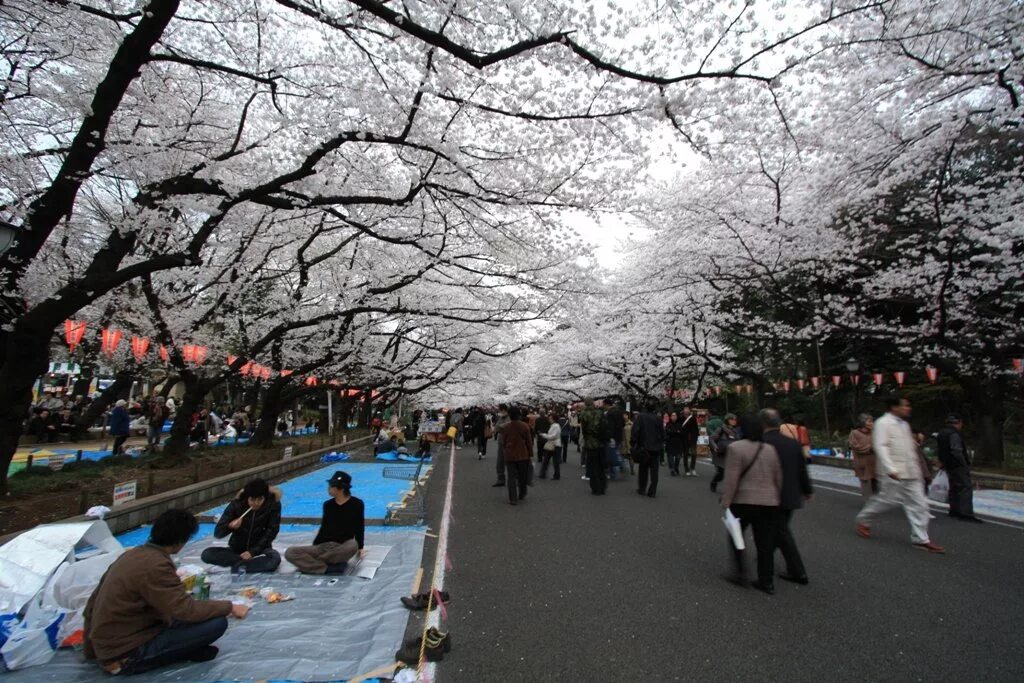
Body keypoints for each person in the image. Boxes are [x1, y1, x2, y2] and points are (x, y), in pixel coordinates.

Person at [83, 509, 248, 675]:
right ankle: (173, 654)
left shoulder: (131, 555)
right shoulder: (156, 565)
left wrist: (93, 651)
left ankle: (185, 649)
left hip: (112, 643)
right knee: (217, 623)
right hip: (126, 653)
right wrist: (229, 606)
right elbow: (185, 610)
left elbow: (91, 605)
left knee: (193, 618)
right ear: (180, 541)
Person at [855, 397, 945, 553]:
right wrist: (890, 468)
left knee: (920, 505)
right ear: (894, 407)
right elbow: (880, 446)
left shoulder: (904, 425)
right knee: (886, 501)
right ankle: (864, 519)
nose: (908, 408)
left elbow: (910, 449)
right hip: (893, 473)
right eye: (905, 406)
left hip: (911, 472)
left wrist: (920, 471)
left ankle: (920, 539)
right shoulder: (883, 423)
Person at [720, 414, 783, 595]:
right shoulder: (770, 449)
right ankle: (766, 581)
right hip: (769, 502)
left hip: (743, 501)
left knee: (736, 537)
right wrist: (777, 497)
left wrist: (726, 500)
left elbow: (731, 478)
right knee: (765, 543)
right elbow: (778, 476)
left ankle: (740, 573)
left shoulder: (736, 448)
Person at [761, 409, 813, 585]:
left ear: (763, 424)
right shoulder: (792, 443)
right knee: (779, 528)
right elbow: (801, 468)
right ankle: (766, 556)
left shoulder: (763, 443)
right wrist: (807, 489)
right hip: (791, 493)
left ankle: (798, 572)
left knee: (781, 531)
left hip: (771, 494)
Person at [285, 471, 367, 573]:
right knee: (290, 552)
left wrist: (360, 547)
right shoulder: (328, 505)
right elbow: (324, 526)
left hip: (342, 546)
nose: (328, 489)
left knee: (352, 545)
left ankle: (314, 563)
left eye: (331, 486)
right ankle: (326, 567)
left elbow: (359, 526)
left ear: (340, 488)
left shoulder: (357, 504)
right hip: (323, 546)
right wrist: (315, 546)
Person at [202, 479, 283, 573]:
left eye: (259, 499)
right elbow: (218, 533)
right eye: (252, 500)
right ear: (247, 497)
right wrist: (230, 526)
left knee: (274, 559)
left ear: (265, 497)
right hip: (236, 550)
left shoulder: (273, 505)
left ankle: (240, 565)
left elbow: (272, 531)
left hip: (260, 550)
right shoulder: (237, 504)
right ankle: (243, 565)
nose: (256, 503)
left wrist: (252, 552)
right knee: (207, 554)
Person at [937, 414, 982, 523]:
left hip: (948, 464)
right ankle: (966, 513)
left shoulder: (942, 433)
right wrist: (964, 463)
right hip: (957, 465)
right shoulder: (954, 434)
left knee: (954, 487)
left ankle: (954, 510)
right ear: (959, 422)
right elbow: (956, 451)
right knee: (965, 487)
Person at [630, 402, 665, 497]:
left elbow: (635, 430)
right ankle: (652, 490)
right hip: (656, 448)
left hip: (644, 447)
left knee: (643, 469)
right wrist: (660, 443)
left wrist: (633, 442)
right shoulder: (658, 418)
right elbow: (662, 433)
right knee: (654, 470)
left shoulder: (641, 417)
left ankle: (642, 488)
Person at [501, 406, 533, 504]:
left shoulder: (505, 427)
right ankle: (522, 492)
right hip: (522, 454)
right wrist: (530, 453)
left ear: (509, 415)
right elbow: (529, 441)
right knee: (522, 476)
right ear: (519, 415)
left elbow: (504, 441)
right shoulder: (524, 426)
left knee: (511, 477)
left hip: (510, 454)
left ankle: (513, 498)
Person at [579, 398, 609, 494]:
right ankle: (603, 486)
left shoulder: (584, 414)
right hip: (601, 442)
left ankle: (596, 488)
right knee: (601, 465)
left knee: (593, 466)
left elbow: (584, 430)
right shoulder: (600, 412)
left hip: (591, 443)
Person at [848, 414, 877, 499]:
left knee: (876, 481)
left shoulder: (874, 432)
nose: (872, 423)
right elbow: (856, 447)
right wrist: (870, 448)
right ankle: (868, 501)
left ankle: (877, 500)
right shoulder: (855, 433)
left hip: (874, 462)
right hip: (862, 462)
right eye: (869, 421)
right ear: (863, 422)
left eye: (872, 421)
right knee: (865, 482)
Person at [709, 413, 738, 493]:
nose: (734, 421)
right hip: (721, 454)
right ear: (727, 420)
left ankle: (731, 489)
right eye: (732, 419)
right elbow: (711, 438)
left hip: (731, 454)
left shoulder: (735, 431)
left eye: (735, 419)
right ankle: (713, 482)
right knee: (721, 472)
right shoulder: (721, 429)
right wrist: (715, 446)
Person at [537, 412, 562, 480]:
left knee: (553, 461)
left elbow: (553, 436)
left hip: (555, 445)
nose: (549, 420)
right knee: (548, 460)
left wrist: (544, 435)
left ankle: (555, 475)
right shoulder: (554, 425)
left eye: (550, 418)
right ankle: (544, 474)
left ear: (554, 419)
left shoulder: (555, 426)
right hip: (554, 444)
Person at [491, 405, 511, 488]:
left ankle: (514, 479)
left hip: (508, 443)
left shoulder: (509, 418)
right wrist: (498, 428)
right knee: (500, 462)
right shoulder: (501, 418)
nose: (500, 412)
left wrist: (499, 428)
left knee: (509, 462)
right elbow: (496, 428)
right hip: (500, 442)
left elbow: (504, 427)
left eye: (501, 411)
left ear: (504, 410)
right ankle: (500, 479)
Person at [679, 406, 700, 476]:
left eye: (687, 409)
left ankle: (692, 468)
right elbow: (680, 428)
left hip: (693, 438)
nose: (686, 410)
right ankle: (686, 469)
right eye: (685, 409)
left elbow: (696, 428)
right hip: (684, 438)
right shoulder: (681, 418)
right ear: (683, 410)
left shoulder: (692, 418)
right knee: (685, 454)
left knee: (694, 453)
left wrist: (696, 436)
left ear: (689, 410)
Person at [664, 412, 684, 476]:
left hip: (678, 442)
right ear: (670, 417)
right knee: (670, 457)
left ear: (677, 417)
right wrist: (676, 432)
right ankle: (672, 469)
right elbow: (667, 431)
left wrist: (673, 432)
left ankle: (676, 467)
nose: (674, 417)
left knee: (678, 457)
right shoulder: (668, 424)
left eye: (675, 415)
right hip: (670, 442)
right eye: (672, 415)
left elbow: (681, 432)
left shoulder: (680, 424)